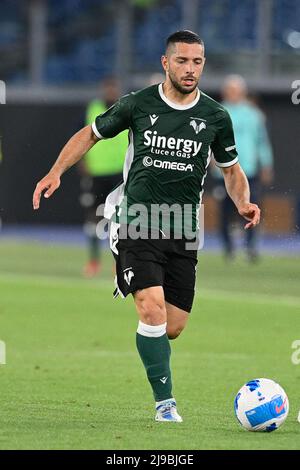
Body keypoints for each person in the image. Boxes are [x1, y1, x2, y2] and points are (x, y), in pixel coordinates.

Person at [33, 31, 260, 423]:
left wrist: (242, 201)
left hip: (185, 228)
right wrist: (56, 172)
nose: (190, 69)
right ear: (166, 62)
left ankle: (146, 311)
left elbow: (231, 169)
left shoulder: (215, 117)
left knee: (172, 326)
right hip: (135, 220)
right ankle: (165, 404)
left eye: (197, 62)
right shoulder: (138, 104)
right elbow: (91, 133)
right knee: (151, 308)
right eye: (183, 61)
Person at [212, 75, 273, 262]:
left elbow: (261, 141)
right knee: (224, 211)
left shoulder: (254, 115)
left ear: (242, 92)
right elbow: (210, 141)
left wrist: (266, 163)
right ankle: (229, 249)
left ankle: (251, 248)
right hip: (223, 170)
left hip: (248, 170)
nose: (233, 93)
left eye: (236, 90)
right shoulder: (217, 112)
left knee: (252, 208)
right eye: (230, 90)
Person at [80, 78, 128, 277]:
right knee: (94, 217)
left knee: (122, 218)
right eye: (107, 88)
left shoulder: (127, 109)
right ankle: (93, 260)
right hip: (97, 172)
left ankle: (121, 262)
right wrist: (83, 163)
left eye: (113, 88)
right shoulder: (93, 109)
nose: (110, 92)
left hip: (119, 172)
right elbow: (81, 136)